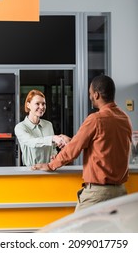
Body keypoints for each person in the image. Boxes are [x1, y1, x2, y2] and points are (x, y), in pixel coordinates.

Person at [32, 75, 133, 211]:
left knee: (77, 230)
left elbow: (73, 151)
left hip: (98, 194)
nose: (90, 97)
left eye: (90, 94)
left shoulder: (96, 119)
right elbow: (103, 144)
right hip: (120, 193)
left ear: (96, 95)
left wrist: (51, 165)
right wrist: (73, 140)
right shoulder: (124, 118)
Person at [15, 89, 71, 166]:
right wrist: (53, 138)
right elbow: (31, 142)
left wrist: (54, 155)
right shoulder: (20, 127)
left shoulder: (48, 125)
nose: (41, 107)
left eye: (43, 104)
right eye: (37, 104)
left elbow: (53, 148)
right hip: (30, 171)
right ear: (28, 105)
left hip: (49, 169)